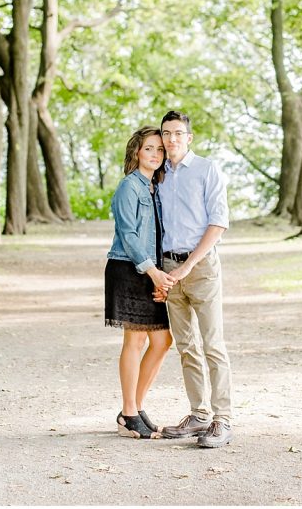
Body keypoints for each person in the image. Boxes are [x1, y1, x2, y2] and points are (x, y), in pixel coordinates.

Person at [154, 110, 233, 448]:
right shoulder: (157, 175)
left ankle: (223, 419)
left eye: (178, 133)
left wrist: (188, 266)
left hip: (199, 269)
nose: (172, 139)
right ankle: (198, 414)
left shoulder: (206, 169)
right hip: (168, 270)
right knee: (186, 347)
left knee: (212, 344)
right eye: (166, 133)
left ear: (189, 137)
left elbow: (218, 223)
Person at [105, 126, 177, 439]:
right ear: (137, 152)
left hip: (151, 271)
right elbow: (128, 235)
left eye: (160, 150)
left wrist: (160, 274)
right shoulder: (129, 187)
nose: (155, 154)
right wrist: (152, 272)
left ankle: (134, 407)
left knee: (162, 341)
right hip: (127, 268)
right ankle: (129, 412)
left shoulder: (154, 189)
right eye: (149, 148)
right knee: (134, 341)